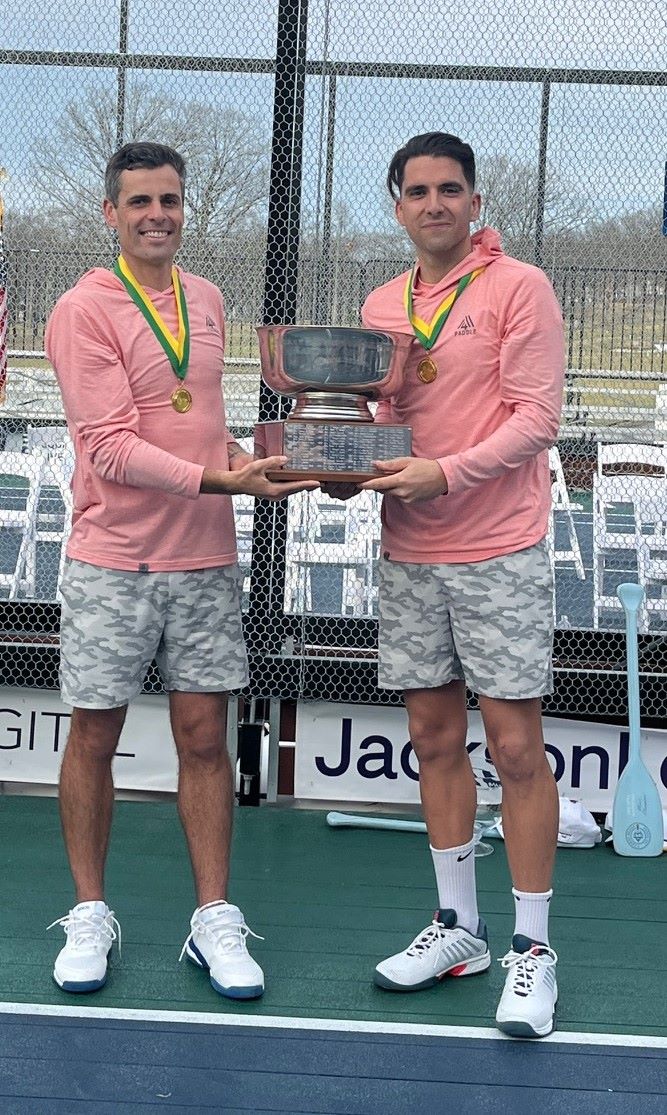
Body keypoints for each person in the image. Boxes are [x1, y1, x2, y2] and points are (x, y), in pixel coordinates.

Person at [44, 141, 317, 1000]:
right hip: (113, 561)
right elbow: (109, 447)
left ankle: (213, 917)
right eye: (139, 201)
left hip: (204, 558)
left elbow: (200, 426)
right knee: (94, 737)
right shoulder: (82, 310)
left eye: (168, 200)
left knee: (204, 740)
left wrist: (247, 460)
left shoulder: (206, 298)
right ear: (110, 213)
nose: (156, 215)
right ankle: (90, 911)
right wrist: (222, 480)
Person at [329, 132, 564, 1038]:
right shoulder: (380, 303)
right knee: (432, 738)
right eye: (417, 191)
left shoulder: (519, 287)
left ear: (474, 201)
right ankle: (458, 926)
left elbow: (536, 419)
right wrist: (340, 465)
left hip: (499, 546)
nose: (434, 204)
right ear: (397, 206)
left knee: (514, 747)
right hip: (410, 549)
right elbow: (382, 417)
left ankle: (533, 948)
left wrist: (446, 473)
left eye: (450, 189)